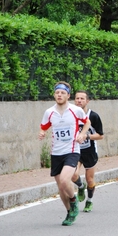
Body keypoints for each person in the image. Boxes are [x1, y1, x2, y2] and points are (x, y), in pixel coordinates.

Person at [39, 81, 91, 226]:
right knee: (60, 186)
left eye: (62, 93)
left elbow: (87, 122)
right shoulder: (49, 112)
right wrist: (42, 133)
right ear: (54, 95)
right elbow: (44, 126)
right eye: (57, 93)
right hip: (56, 152)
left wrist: (82, 134)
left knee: (64, 180)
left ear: (68, 95)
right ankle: (69, 212)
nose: (59, 95)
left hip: (72, 150)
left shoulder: (76, 110)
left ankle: (73, 200)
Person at [71, 91, 104, 212]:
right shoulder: (71, 115)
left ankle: (89, 201)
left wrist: (87, 136)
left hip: (89, 152)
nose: (79, 100)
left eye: (82, 99)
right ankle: (80, 186)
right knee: (73, 175)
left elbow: (100, 135)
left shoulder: (93, 116)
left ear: (87, 101)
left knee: (90, 179)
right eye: (77, 98)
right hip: (75, 151)